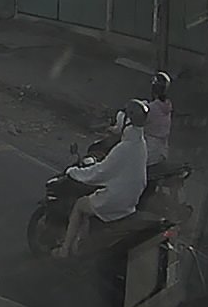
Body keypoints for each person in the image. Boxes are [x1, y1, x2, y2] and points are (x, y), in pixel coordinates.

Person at [54, 99, 150, 258]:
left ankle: (65, 250)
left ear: (127, 122)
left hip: (116, 199)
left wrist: (74, 172)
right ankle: (81, 242)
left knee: (79, 205)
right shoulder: (141, 145)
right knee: (89, 205)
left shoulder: (123, 148)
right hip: (132, 199)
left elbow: (99, 173)